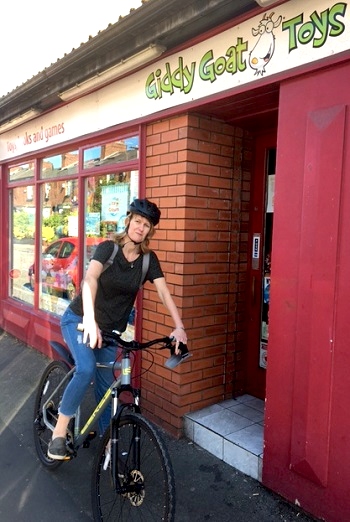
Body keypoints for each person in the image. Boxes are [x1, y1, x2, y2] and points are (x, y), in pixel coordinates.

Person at [48, 198, 187, 460]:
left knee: (107, 388)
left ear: (150, 230)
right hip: (79, 319)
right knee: (86, 368)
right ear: (128, 221)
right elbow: (89, 279)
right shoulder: (108, 249)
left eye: (146, 225)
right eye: (137, 221)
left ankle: (107, 442)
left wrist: (179, 327)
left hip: (110, 332)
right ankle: (58, 433)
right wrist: (90, 319)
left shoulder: (148, 261)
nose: (141, 227)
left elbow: (163, 292)